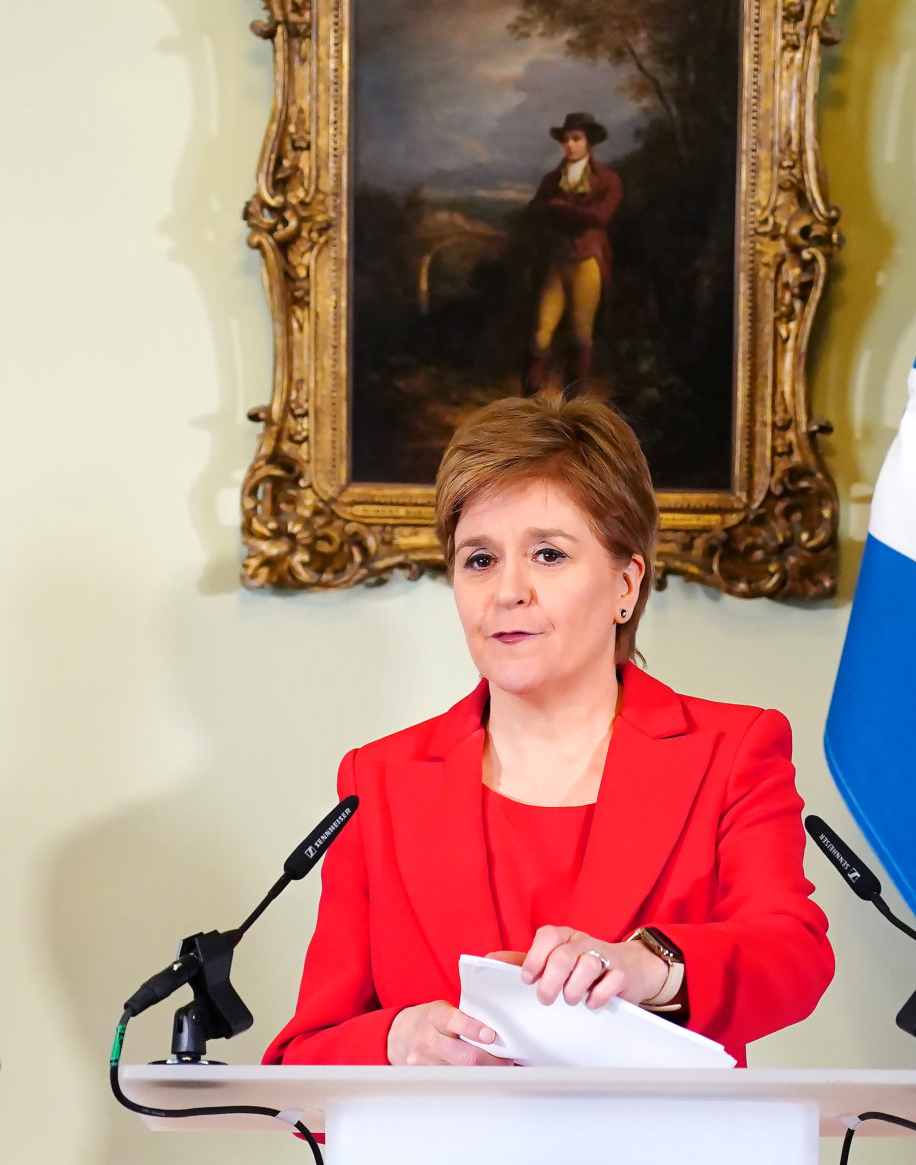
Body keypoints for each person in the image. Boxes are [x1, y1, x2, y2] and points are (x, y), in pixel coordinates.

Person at [263, 394, 833, 1067]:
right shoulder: (377, 780)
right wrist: (396, 1039)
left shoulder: (733, 751)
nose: (508, 590)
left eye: (548, 554)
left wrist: (652, 965)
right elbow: (306, 1055)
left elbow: (792, 955)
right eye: (479, 559)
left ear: (627, 583)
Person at [522, 111, 626, 393]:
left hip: (586, 261)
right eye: (566, 140)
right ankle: (528, 404)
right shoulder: (552, 179)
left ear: (588, 143)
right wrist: (552, 209)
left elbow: (601, 217)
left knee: (581, 335)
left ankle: (574, 407)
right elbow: (534, 211)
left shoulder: (607, 179)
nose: (569, 145)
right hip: (556, 261)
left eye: (576, 139)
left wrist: (561, 209)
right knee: (541, 333)